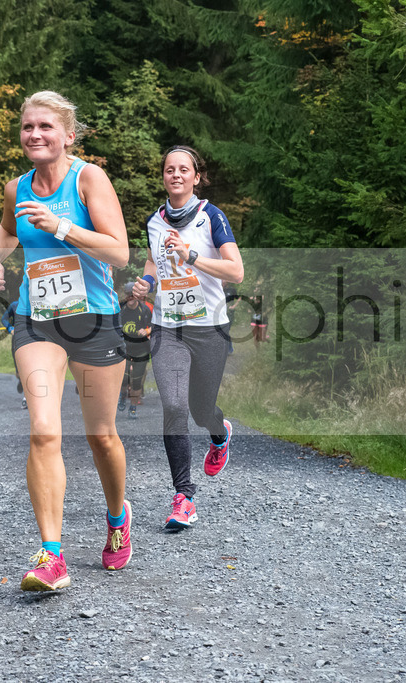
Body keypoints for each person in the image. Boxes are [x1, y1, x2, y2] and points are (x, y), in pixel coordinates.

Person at [0, 90, 132, 591]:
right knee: (45, 430)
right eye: (28, 127)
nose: (35, 135)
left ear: (68, 135)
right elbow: (7, 229)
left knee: (101, 436)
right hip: (36, 320)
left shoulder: (88, 178)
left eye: (46, 127)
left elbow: (120, 253)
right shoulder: (15, 188)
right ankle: (52, 554)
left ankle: (116, 518)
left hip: (93, 320)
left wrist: (64, 226)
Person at [131, 145, 243, 531]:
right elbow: (153, 262)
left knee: (200, 410)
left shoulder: (212, 216)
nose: (175, 174)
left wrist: (192, 256)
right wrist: (145, 282)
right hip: (168, 328)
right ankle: (183, 497)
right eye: (169, 169)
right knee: (175, 407)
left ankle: (218, 431)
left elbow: (236, 271)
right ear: (163, 176)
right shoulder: (154, 222)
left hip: (209, 328)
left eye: (184, 169)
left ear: (197, 177)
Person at [118, 283, 152, 419]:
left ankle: (133, 407)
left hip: (141, 350)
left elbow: (154, 326)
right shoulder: (120, 310)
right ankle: (122, 394)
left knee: (137, 381)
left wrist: (147, 330)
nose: (131, 298)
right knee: (124, 379)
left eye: (133, 296)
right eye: (128, 295)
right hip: (124, 349)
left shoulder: (144, 310)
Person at [2, 300, 27, 409]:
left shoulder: (37, 303)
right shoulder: (14, 305)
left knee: (29, 368)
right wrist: (10, 328)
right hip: (17, 339)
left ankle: (26, 398)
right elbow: (4, 319)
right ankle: (21, 380)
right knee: (19, 371)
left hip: (33, 340)